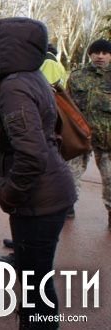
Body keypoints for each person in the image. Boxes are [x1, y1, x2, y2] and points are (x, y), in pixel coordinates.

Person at [0, 18, 76, 329]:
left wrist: (9, 194)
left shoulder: (14, 87)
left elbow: (31, 154)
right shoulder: (29, 78)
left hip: (38, 200)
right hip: (46, 194)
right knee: (36, 277)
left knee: (36, 282)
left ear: (7, 48)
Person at [67, 38, 111, 230]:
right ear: (90, 54)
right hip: (80, 136)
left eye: (105, 53)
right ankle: (67, 207)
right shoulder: (77, 77)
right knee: (69, 174)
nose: (100, 56)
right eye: (96, 52)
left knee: (110, 179)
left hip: (108, 140)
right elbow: (67, 105)